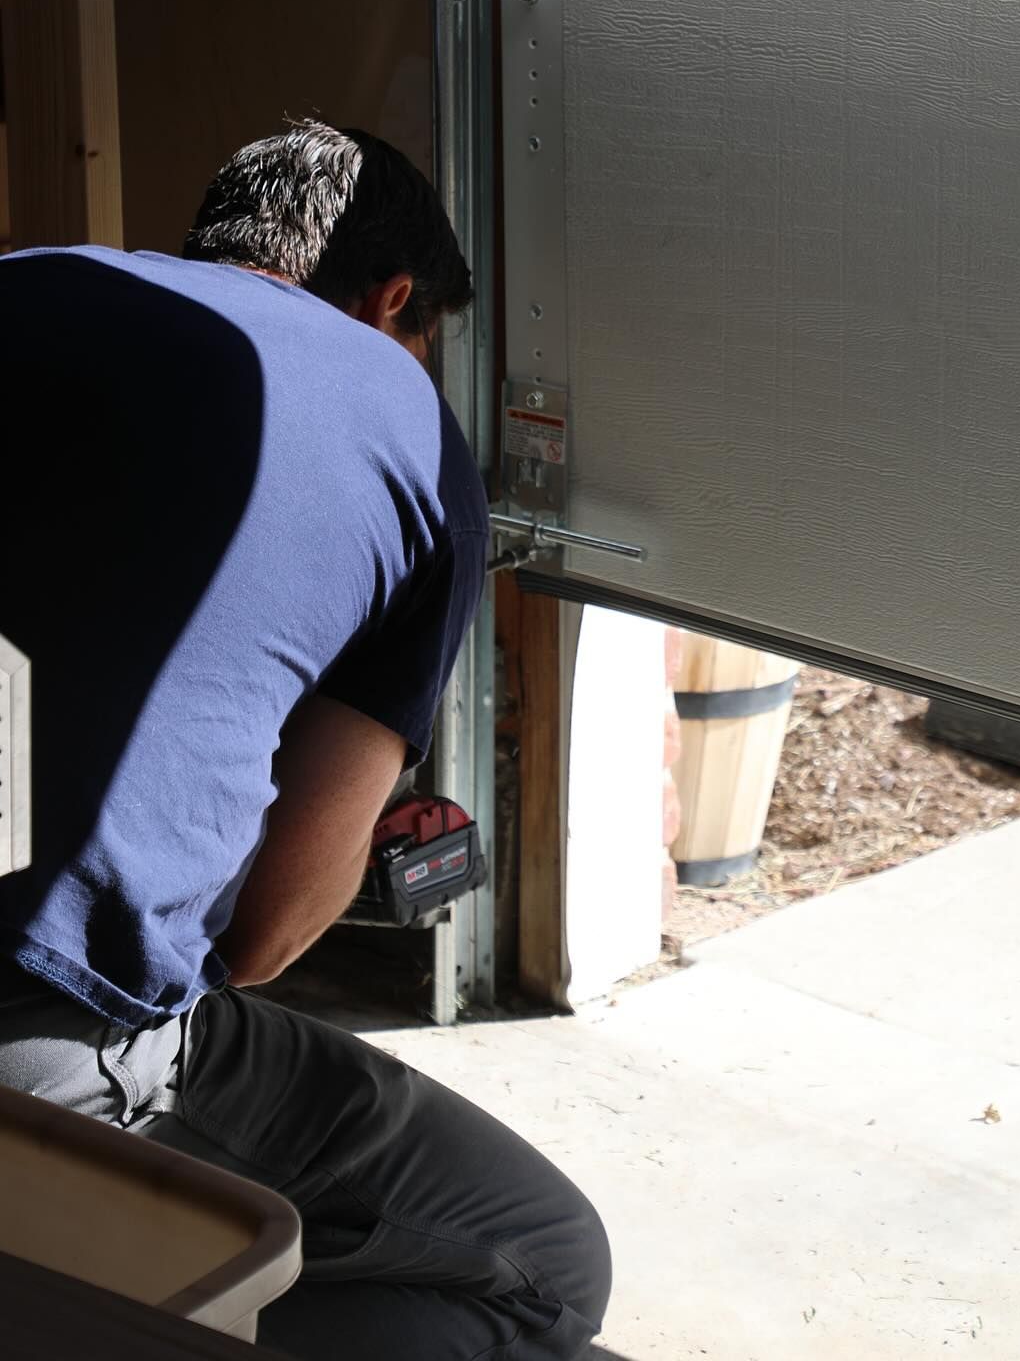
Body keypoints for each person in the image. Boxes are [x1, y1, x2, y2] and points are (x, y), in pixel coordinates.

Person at [0, 122, 611, 1359]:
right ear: (395, 301)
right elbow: (267, 932)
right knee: (540, 1262)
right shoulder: (404, 425)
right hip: (40, 1036)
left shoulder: (32, 283)